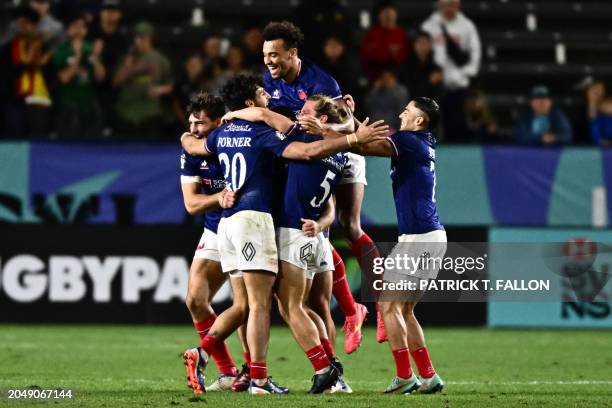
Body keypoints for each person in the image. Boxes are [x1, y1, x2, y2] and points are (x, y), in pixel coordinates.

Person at [180, 75, 387, 394]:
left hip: (254, 225)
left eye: (304, 109)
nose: (291, 109)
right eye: (263, 93)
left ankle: (249, 369)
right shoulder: (323, 148)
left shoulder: (232, 132)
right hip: (294, 228)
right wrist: (350, 136)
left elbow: (196, 143)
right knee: (295, 305)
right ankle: (311, 372)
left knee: (264, 305)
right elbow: (315, 165)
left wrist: (197, 134)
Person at [300, 97, 447, 395]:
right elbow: (366, 137)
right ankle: (428, 376)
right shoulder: (421, 142)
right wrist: (351, 118)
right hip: (430, 237)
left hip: (419, 239)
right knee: (404, 310)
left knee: (387, 305)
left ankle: (405, 376)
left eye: (407, 111)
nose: (402, 113)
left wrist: (322, 132)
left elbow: (362, 146)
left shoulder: (409, 140)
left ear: (419, 121)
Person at [222, 94, 357, 393]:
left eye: (306, 111)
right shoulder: (339, 152)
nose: (299, 115)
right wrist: (322, 224)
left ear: (321, 119)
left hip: (292, 232)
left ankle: (324, 369)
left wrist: (235, 115)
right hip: (311, 236)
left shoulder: (309, 141)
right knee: (308, 307)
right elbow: (331, 204)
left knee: (291, 307)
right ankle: (332, 367)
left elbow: (268, 117)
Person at [262, 20, 383, 350]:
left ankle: (380, 302)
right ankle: (350, 312)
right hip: (308, 158)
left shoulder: (320, 82)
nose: (269, 61)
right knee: (318, 236)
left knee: (349, 224)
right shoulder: (267, 83)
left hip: (341, 150)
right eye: (265, 55)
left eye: (275, 55)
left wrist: (347, 130)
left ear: (292, 53)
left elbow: (344, 130)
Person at [180, 92, 248, 394]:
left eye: (201, 124)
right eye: (191, 123)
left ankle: (254, 371)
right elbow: (192, 205)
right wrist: (218, 198)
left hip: (249, 228)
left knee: (248, 306)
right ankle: (228, 372)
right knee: (195, 299)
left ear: (220, 122)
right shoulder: (193, 153)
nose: (194, 130)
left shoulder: (239, 142)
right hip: (215, 230)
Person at [422, 0, 481, 142]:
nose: (449, 7)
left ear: (458, 5)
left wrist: (460, 74)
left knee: (458, 129)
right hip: (434, 86)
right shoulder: (430, 25)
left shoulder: (467, 26)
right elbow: (421, 53)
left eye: (453, 3)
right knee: (434, 129)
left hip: (458, 86)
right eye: (446, 4)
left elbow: (475, 57)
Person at [113, 21, 172, 138]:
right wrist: (127, 67)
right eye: (137, 37)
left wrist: (159, 90)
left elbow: (171, 86)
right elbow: (115, 83)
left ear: (150, 38)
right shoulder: (127, 58)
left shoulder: (160, 59)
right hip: (127, 113)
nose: (139, 41)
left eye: (143, 37)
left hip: (150, 114)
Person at [0, 6, 52, 138]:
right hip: (14, 103)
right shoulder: (7, 49)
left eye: (26, 23)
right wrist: (27, 62)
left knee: (40, 144)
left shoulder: (44, 48)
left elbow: (50, 76)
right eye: (20, 23)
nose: (22, 26)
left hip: (39, 103)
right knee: (14, 143)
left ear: (34, 25)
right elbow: (6, 75)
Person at [52, 12, 105, 138]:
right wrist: (77, 56)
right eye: (75, 26)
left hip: (89, 104)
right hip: (68, 102)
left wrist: (96, 57)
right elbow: (64, 79)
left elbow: (100, 77)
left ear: (86, 31)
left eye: (82, 27)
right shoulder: (61, 50)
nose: (78, 30)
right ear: (69, 30)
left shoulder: (91, 49)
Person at [88, 0, 129, 135]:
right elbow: (88, 56)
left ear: (119, 15)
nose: (110, 14)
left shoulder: (123, 36)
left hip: (116, 84)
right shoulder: (92, 33)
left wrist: (120, 75)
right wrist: (96, 60)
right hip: (93, 82)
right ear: (101, 13)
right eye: (106, 11)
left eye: (113, 11)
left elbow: (126, 61)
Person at [360, 1, 409, 83]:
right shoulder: (371, 35)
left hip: (398, 80)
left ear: (395, 15)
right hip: (375, 80)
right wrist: (377, 79)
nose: (388, 16)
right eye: (385, 13)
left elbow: (407, 62)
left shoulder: (402, 35)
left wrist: (394, 77)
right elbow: (365, 61)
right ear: (379, 16)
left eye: (391, 13)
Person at [401, 30, 443, 102]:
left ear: (430, 45)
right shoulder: (407, 66)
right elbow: (410, 92)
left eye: (425, 42)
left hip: (431, 107)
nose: (422, 46)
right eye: (419, 42)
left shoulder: (435, 68)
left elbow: (439, 94)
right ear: (414, 45)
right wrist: (429, 82)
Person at [365, 67, 409, 131]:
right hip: (374, 126)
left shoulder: (401, 90)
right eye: (384, 77)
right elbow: (367, 105)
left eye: (388, 77)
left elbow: (401, 109)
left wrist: (393, 89)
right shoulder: (378, 90)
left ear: (394, 78)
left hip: (391, 127)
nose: (386, 79)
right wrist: (374, 89)